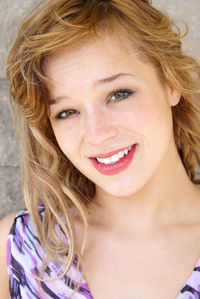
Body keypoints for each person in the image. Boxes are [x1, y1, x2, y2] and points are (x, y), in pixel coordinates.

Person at [0, 0, 200, 298]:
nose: (97, 134)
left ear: (171, 83)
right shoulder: (18, 250)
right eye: (66, 112)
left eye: (119, 94)